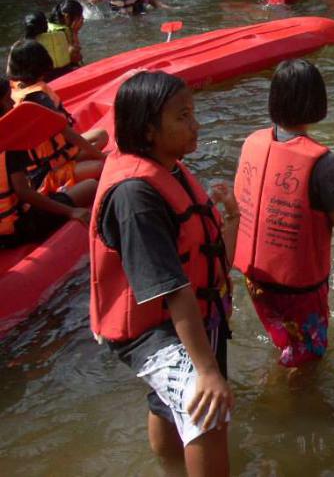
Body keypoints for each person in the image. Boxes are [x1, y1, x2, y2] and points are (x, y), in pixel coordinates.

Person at [89, 71, 237, 475]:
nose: (196, 125)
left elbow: (210, 261)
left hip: (187, 312)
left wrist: (233, 218)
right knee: (208, 411)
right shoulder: (135, 196)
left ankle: (170, 467)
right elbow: (172, 289)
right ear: (148, 130)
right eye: (182, 117)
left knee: (169, 403)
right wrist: (207, 372)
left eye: (193, 113)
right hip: (150, 328)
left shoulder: (168, 168)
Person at [234, 59, 334, 367]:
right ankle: (282, 393)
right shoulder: (324, 163)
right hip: (297, 288)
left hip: (255, 279)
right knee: (309, 360)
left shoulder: (252, 142)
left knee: (287, 345)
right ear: (317, 101)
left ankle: (275, 379)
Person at [0, 76, 97, 247]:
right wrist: (70, 211)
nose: (13, 103)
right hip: (18, 227)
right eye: (8, 99)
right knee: (91, 185)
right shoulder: (9, 140)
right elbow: (23, 192)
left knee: (99, 139)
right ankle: (60, 191)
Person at [6, 39, 106, 194]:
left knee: (101, 135)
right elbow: (69, 134)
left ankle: (74, 164)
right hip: (47, 171)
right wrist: (102, 157)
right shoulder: (38, 99)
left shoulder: (17, 88)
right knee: (101, 167)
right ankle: (62, 183)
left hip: (62, 155)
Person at [23, 11, 77, 80]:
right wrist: (74, 32)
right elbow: (74, 55)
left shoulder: (21, 45)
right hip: (66, 73)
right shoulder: (60, 35)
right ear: (45, 25)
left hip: (43, 79)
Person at [48, 0, 85, 68]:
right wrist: (75, 32)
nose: (81, 19)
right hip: (62, 70)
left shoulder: (49, 26)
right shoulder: (63, 31)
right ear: (67, 17)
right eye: (79, 17)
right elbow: (76, 57)